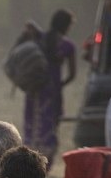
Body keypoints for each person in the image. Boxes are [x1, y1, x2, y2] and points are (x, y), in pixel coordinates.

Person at [19, 10, 76, 169]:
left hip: (34, 90)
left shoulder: (40, 39)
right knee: (50, 126)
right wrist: (59, 85)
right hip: (53, 94)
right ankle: (45, 165)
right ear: (66, 25)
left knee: (31, 124)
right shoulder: (67, 46)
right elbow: (72, 75)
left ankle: (28, 162)